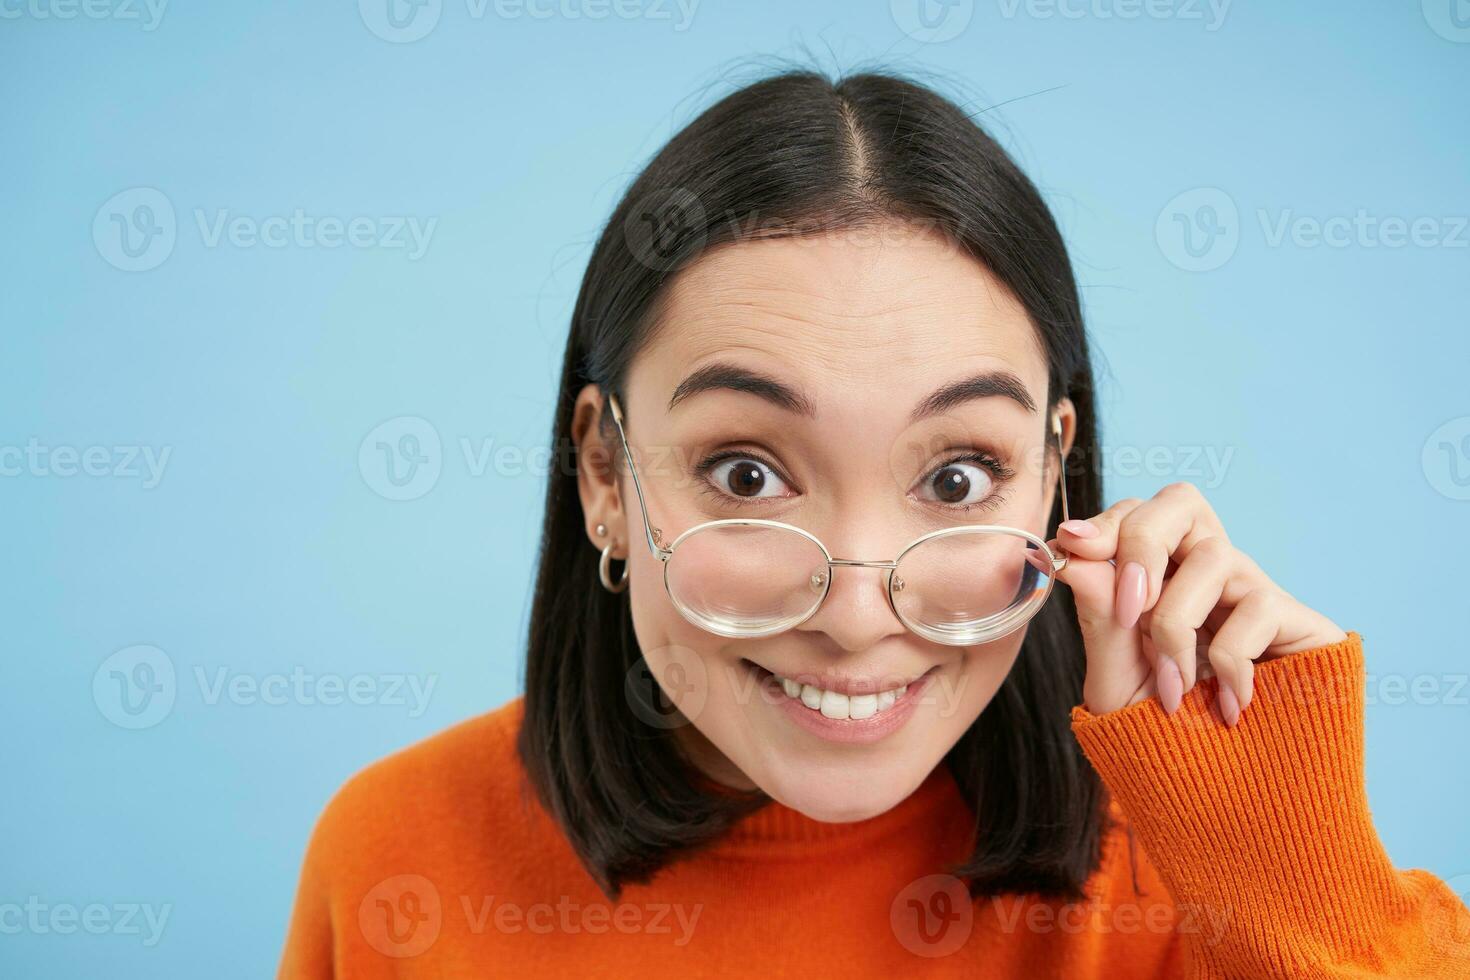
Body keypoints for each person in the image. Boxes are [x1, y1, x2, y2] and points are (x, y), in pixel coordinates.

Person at [278, 69, 1470, 977]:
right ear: (604, 472)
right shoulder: (399, 853)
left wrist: (1298, 876)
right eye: (746, 472)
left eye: (957, 477)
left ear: (1054, 477)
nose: (855, 614)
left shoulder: (1183, 874)